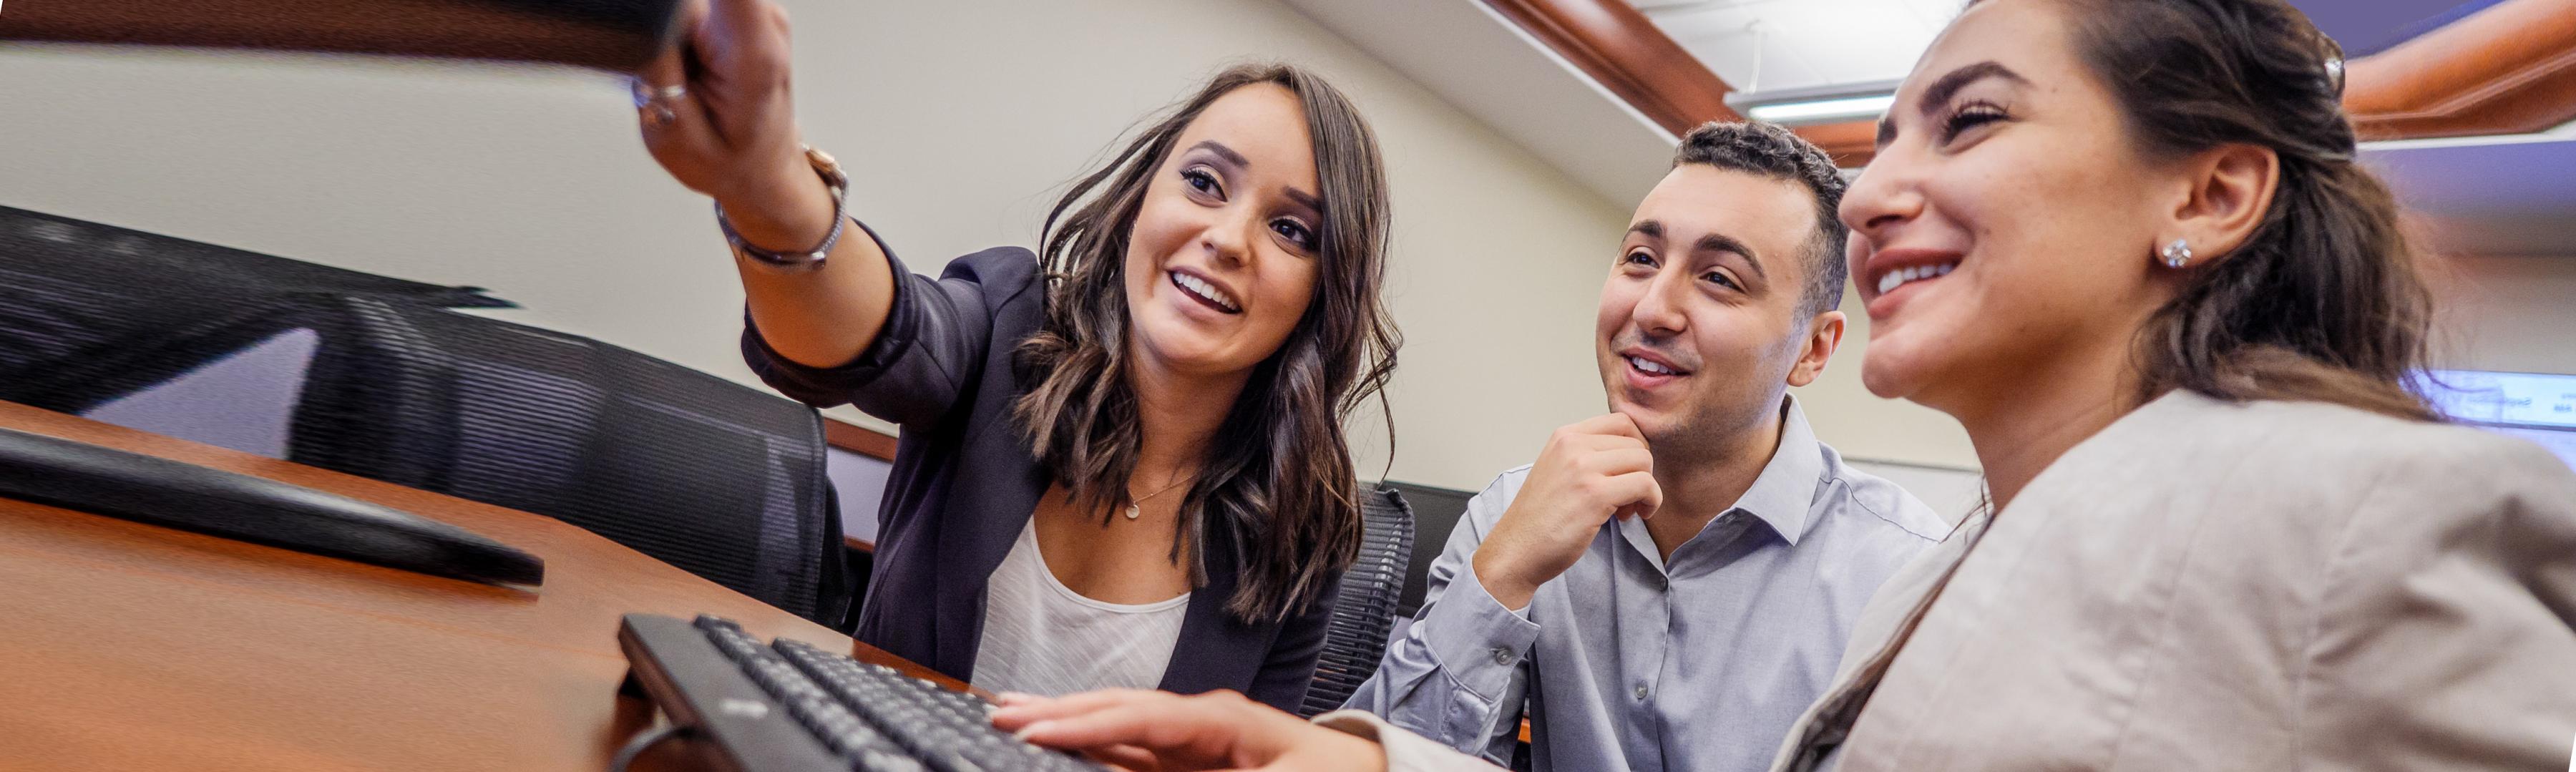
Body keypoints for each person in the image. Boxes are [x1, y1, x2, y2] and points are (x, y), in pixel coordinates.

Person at [989, 0, 2576, 768]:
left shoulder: (2370, 508)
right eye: (1887, 138)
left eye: (1968, 124)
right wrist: (1353, 750)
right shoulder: (1986, 559)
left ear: (2210, 196)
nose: (1880, 191)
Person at [631, 0, 1401, 711]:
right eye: (1203, 182)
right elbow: (886, 330)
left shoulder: (1304, 528)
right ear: (1140, 201)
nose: (1228, 239)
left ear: (1321, 293)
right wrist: (767, 184)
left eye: (1292, 231)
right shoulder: (1009, 325)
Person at [1340, 121, 1946, 772]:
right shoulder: (1513, 512)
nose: (1654, 308)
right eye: (1640, 259)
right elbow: (1386, 760)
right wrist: (1501, 576)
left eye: (1719, 277)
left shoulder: (1906, 577)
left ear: (1813, 348)